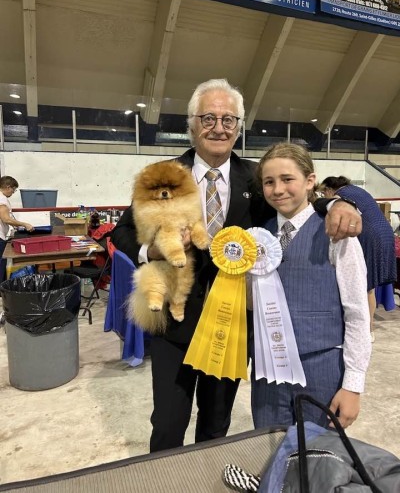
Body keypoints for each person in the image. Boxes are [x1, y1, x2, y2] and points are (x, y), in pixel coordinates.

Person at [111, 78, 362, 452]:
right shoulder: (163, 174)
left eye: (228, 119)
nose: (219, 128)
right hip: (174, 323)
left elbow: (294, 201)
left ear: (239, 127)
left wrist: (341, 203)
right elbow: (122, 232)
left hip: (231, 326)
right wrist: (153, 252)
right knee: (167, 423)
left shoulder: (256, 179)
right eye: (208, 118)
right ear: (192, 124)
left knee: (216, 426)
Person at [251, 143, 371, 430]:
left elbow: (357, 313)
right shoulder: (256, 236)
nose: (278, 189)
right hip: (267, 372)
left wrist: (353, 385)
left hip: (321, 369)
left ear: (309, 181)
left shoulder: (336, 232)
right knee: (271, 448)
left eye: (287, 179)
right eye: (269, 182)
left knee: (320, 452)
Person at [320, 176, 396, 343]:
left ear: (330, 189)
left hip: (370, 237)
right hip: (386, 233)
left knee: (366, 286)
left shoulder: (340, 198)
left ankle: (368, 330)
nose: (324, 197)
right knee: (370, 285)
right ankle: (369, 327)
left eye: (324, 193)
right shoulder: (359, 190)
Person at [0, 176, 34, 282]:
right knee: (1, 265)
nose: (13, 193)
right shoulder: (2, 199)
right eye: (13, 190)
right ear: (8, 187)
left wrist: (15, 224)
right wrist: (24, 224)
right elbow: (6, 219)